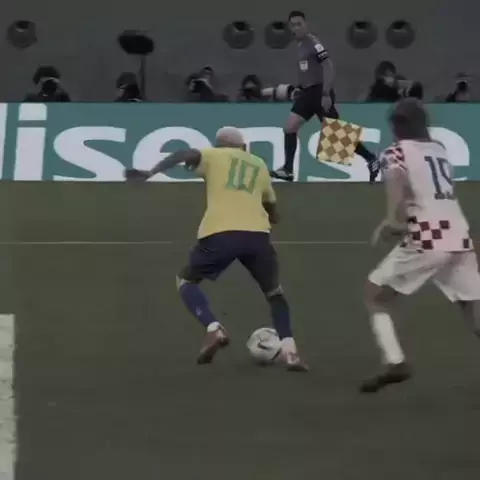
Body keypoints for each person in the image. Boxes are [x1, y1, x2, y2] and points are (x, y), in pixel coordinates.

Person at [124, 127, 308, 372]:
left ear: (219, 145)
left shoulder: (212, 155)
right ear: (243, 147)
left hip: (221, 233)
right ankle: (290, 352)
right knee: (275, 293)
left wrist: (151, 172)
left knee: (186, 280)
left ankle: (213, 328)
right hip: (258, 236)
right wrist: (274, 216)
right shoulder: (258, 163)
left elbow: (183, 154)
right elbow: (270, 204)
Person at [361, 98, 480, 393]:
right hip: (460, 235)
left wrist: (392, 216)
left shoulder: (397, 151)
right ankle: (394, 362)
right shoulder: (439, 149)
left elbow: (396, 176)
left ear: (397, 126)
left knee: (374, 295)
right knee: (473, 311)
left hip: (427, 236)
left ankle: (395, 361)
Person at [271, 10, 379, 182]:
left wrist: (325, 93)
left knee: (335, 133)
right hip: (307, 94)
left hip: (318, 92)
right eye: (293, 25)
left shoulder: (313, 43)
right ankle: (288, 170)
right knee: (290, 128)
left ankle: (371, 159)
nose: (297, 28)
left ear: (306, 25)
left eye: (299, 24)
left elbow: (328, 66)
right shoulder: (300, 46)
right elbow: (308, 72)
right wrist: (300, 88)